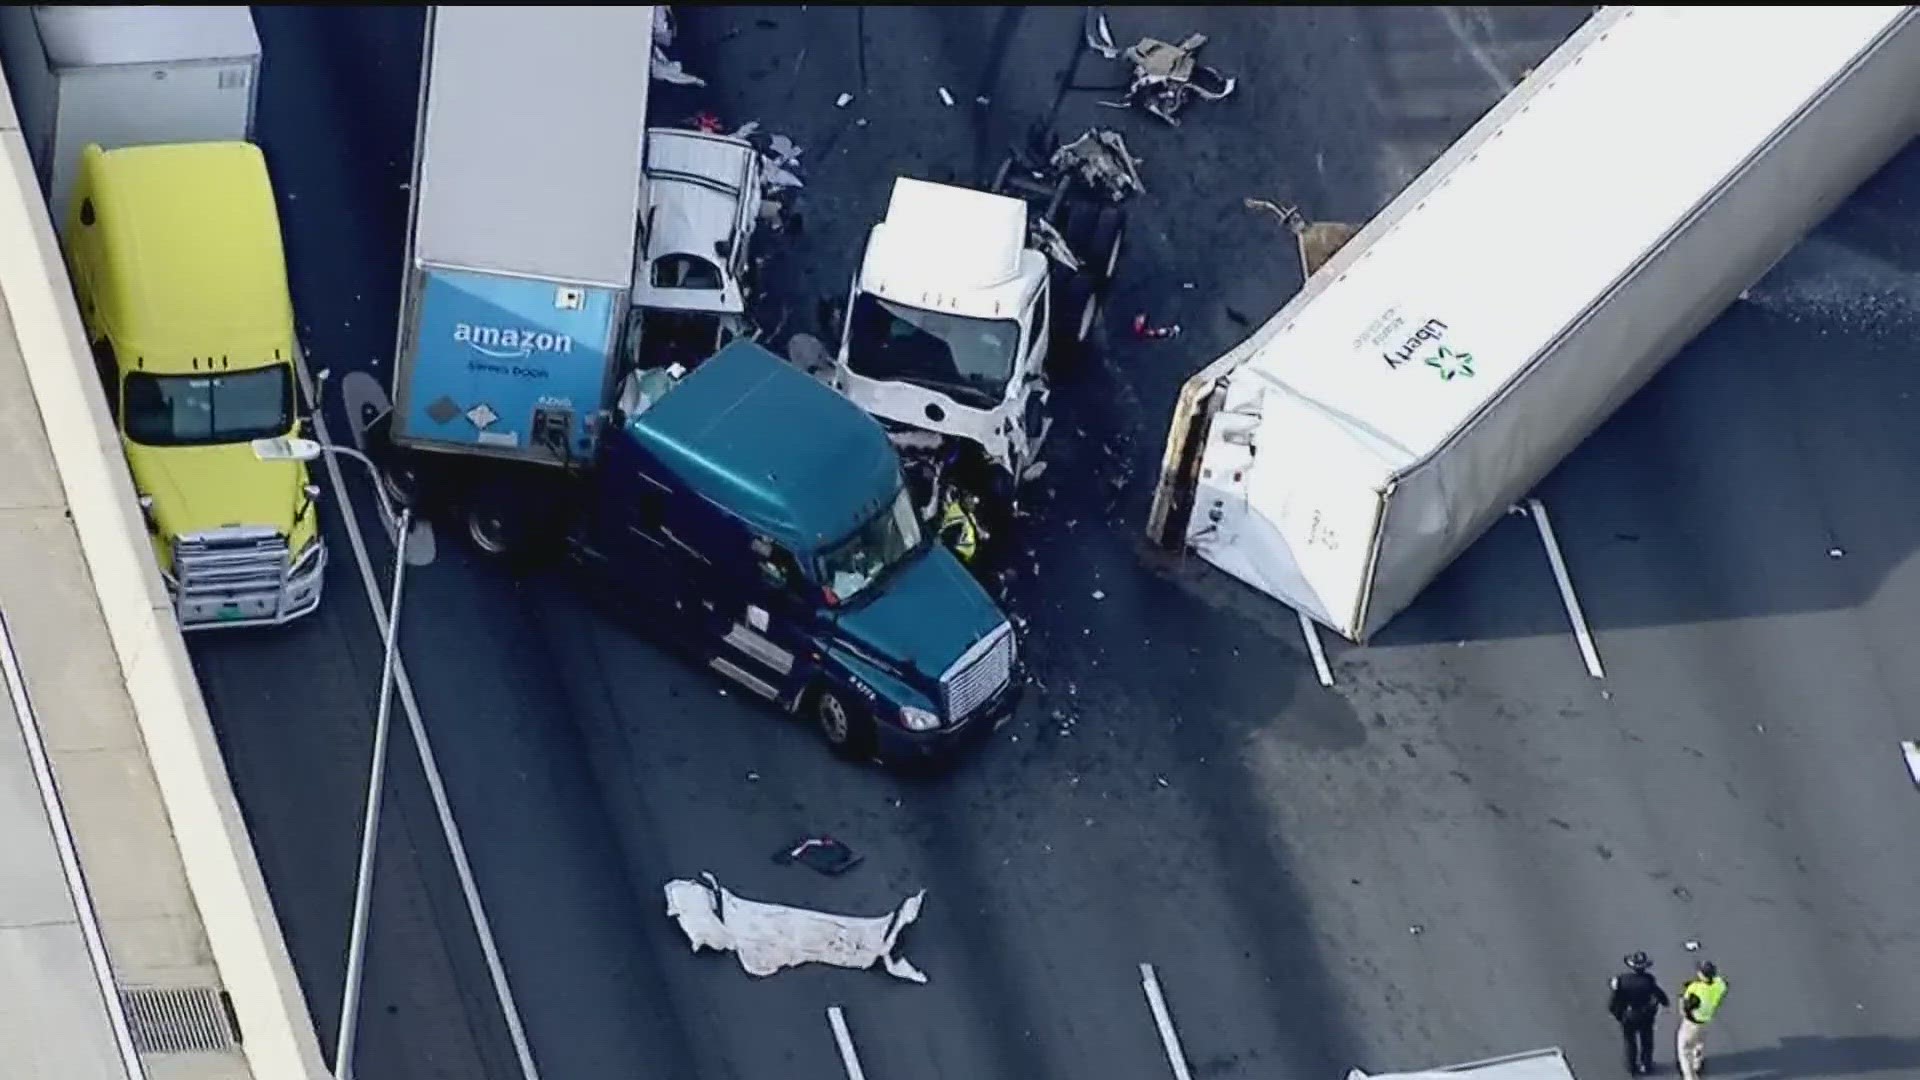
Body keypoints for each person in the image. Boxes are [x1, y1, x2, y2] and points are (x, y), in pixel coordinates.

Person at [1608, 951, 1670, 1075]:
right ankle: (1646, 1065)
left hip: (1629, 1015)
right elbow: (1658, 994)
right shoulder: (1648, 980)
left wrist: (1618, 1014)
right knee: (1647, 1041)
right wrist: (1665, 1002)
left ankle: (1632, 1067)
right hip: (1645, 1015)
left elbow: (1614, 1000)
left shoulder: (1622, 980)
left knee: (1630, 1042)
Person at [1677, 960, 1728, 1080]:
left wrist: (1683, 996)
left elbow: (1685, 1008)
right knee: (1699, 1043)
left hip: (1692, 1023)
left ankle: (1690, 1077)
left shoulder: (1695, 989)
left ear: (1702, 974)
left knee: (1685, 1050)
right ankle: (1697, 1062)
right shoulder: (1719, 985)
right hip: (1706, 1020)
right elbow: (1721, 983)